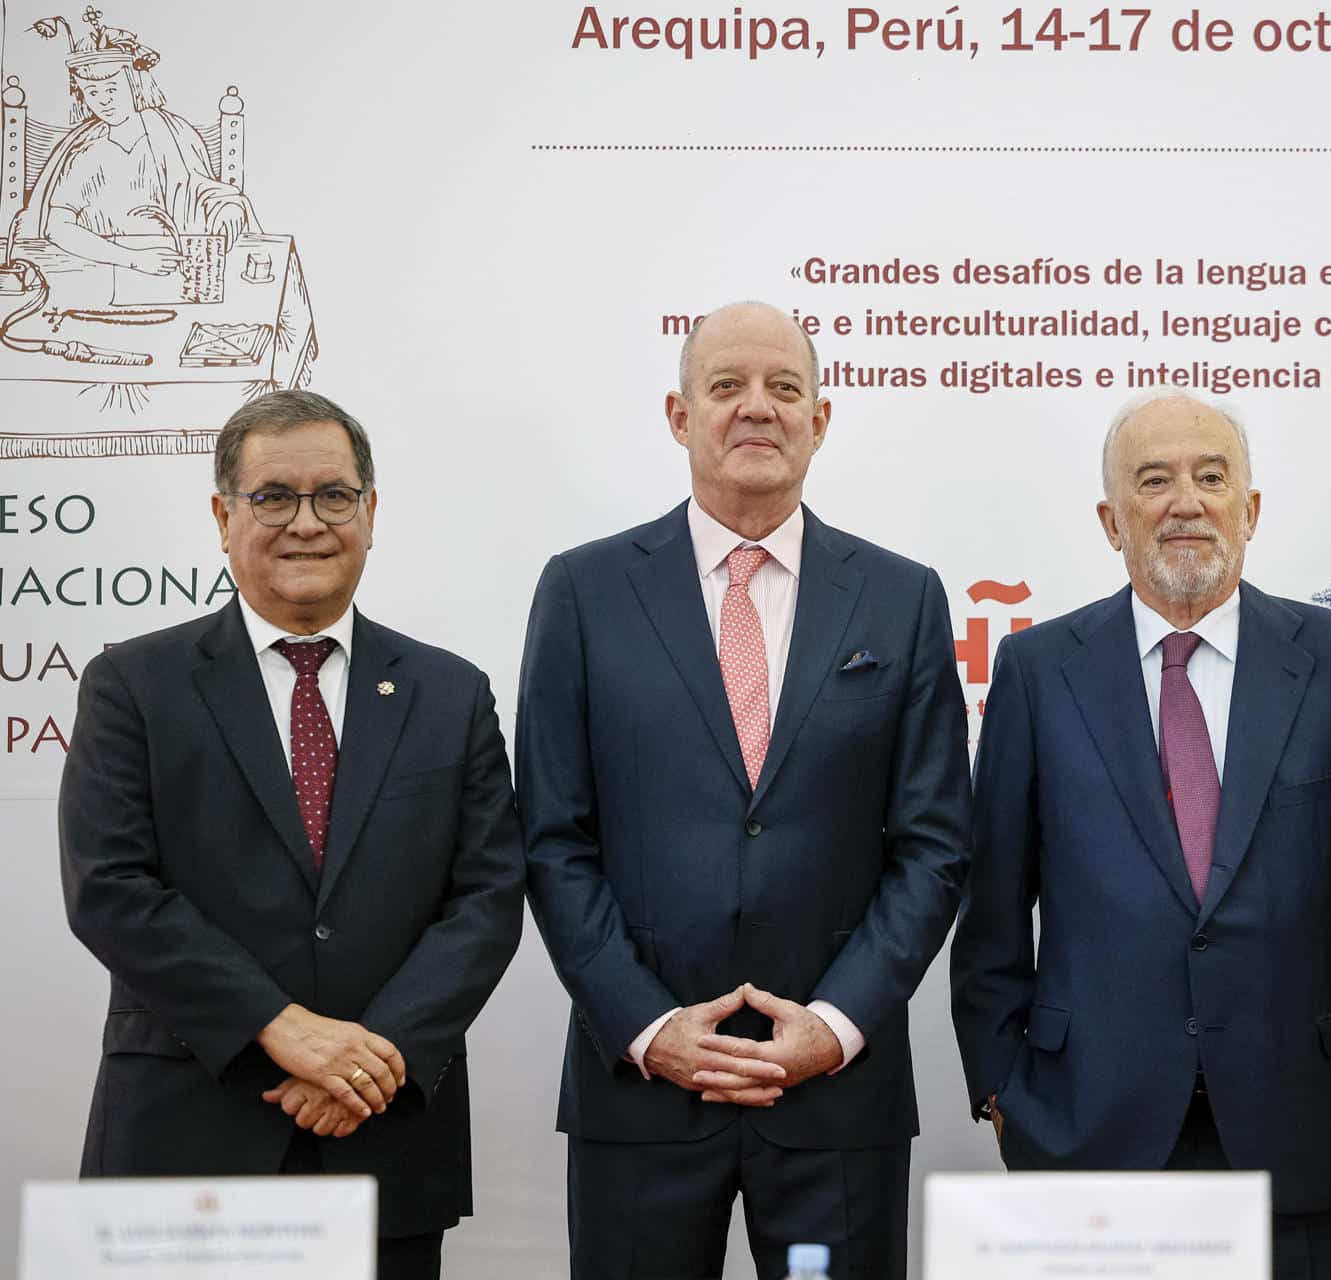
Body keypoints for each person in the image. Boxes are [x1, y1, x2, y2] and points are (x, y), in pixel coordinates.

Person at [517, 301, 971, 1279]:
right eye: (726, 386)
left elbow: (934, 844)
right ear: (679, 416)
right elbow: (553, 838)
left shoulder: (903, 597)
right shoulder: (584, 592)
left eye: (784, 387)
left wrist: (838, 1022)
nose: (756, 408)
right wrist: (646, 1025)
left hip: (833, 1094)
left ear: (823, 416)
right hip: (641, 1087)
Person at [949, 389, 1331, 1280]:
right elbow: (992, 907)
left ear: (1250, 510)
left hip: (1298, 1115)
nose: (1186, 502)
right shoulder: (1034, 671)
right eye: (1154, 480)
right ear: (1110, 519)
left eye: (1213, 478)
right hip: (1084, 1121)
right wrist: (1000, 1087)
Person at [59, 390, 526, 1280]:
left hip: (381, 1139)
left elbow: (488, 899)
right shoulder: (133, 685)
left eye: (334, 495)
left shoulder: (450, 694)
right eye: (273, 496)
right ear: (223, 516)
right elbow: (109, 889)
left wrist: (367, 1058)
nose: (306, 522)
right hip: (184, 1139)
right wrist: (282, 1028)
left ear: (371, 512)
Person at [20, 13, 253, 274]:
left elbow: (204, 190)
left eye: (112, 89)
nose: (104, 101)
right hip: (98, 268)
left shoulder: (175, 135)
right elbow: (57, 225)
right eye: (93, 93)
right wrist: (132, 259)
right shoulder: (85, 152)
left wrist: (229, 210)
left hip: (171, 267)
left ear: (135, 84)